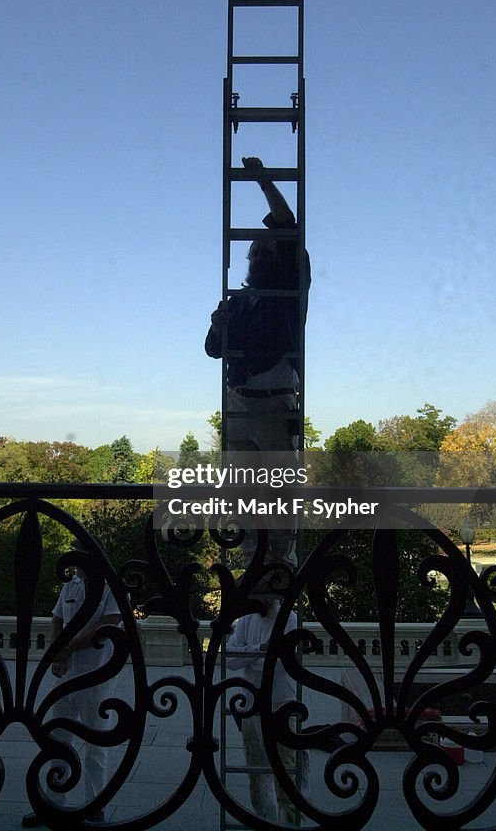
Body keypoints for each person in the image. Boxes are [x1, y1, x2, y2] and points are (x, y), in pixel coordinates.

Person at [205, 156, 310, 575]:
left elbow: (288, 225)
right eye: (256, 247)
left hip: (274, 405)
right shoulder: (239, 299)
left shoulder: (288, 285)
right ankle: (254, 574)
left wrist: (264, 181)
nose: (262, 249)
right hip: (240, 406)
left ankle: (281, 572)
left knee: (281, 499)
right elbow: (214, 349)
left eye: (267, 245)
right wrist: (218, 326)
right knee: (243, 498)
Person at [22, 541, 121, 828]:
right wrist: (57, 651)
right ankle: (53, 804)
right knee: (58, 738)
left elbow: (107, 624)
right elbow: (56, 618)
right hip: (67, 673)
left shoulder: (109, 586)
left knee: (95, 740)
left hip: (97, 674)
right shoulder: (71, 585)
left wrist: (67, 648)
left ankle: (95, 805)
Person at [226, 598, 308, 824]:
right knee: (256, 771)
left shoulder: (289, 619)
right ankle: (264, 819)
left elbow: (277, 662)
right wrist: (260, 650)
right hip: (253, 704)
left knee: (286, 772)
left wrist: (249, 655)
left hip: (280, 703)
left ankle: (289, 821)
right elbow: (231, 658)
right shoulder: (246, 620)